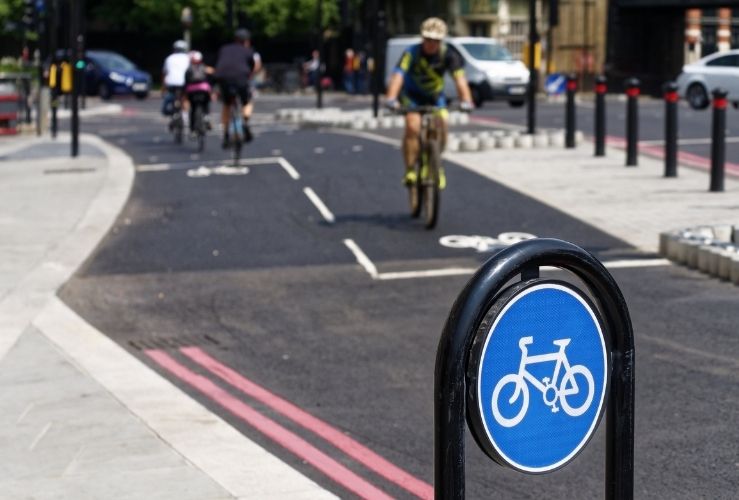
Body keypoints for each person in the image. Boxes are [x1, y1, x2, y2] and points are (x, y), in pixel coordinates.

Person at [385, 17, 474, 189]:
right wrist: (391, 99)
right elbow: (398, 76)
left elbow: (460, 80)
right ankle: (410, 169)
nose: (431, 44)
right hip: (411, 96)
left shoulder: (448, 55)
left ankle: (435, 164)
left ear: (441, 40)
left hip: (435, 97)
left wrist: (467, 101)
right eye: (428, 39)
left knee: (443, 124)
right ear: (422, 38)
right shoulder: (411, 53)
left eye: (435, 40)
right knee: (413, 126)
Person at [214, 28, 259, 148]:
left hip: (223, 79)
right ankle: (245, 121)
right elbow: (252, 67)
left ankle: (225, 134)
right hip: (240, 79)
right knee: (247, 101)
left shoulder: (224, 49)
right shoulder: (247, 51)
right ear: (246, 41)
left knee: (226, 105)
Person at [162, 40, 191, 126]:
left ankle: (172, 112)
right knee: (185, 98)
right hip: (184, 83)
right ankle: (185, 117)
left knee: (171, 96)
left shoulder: (169, 58)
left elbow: (164, 73)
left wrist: (163, 87)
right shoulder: (188, 58)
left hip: (171, 83)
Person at [184, 51, 212, 132]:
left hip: (192, 91)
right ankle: (206, 117)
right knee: (206, 103)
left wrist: (185, 93)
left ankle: (192, 129)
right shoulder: (205, 68)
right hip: (204, 90)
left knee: (192, 108)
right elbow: (210, 79)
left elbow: (186, 82)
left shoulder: (189, 68)